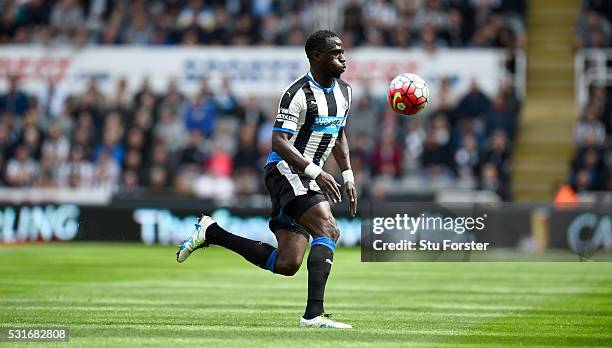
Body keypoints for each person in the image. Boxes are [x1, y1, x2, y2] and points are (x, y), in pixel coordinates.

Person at [176, 30, 356, 329]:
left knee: (287, 264)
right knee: (328, 228)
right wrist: (317, 172)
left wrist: (347, 175)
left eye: (342, 52)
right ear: (316, 57)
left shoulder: (345, 92)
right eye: (336, 53)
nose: (343, 58)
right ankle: (313, 315)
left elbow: (338, 134)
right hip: (287, 170)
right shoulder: (297, 94)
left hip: (309, 175)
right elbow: (278, 141)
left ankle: (212, 233)